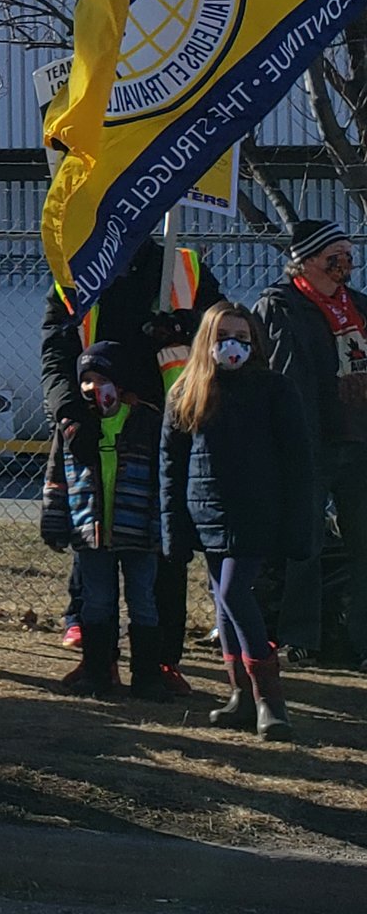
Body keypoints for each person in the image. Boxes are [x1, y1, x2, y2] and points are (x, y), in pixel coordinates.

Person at [41, 235, 221, 688]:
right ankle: (98, 660)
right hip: (93, 424)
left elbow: (221, 330)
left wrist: (186, 326)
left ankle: (159, 664)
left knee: (164, 549)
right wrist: (69, 413)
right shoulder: (75, 270)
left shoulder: (182, 266)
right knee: (93, 544)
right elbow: (56, 351)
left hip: (167, 423)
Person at [162, 303, 317, 742]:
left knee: (233, 592)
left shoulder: (274, 390)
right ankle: (241, 696)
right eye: (223, 337)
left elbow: (297, 461)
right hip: (207, 513)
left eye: (243, 338)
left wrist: (298, 525)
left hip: (256, 514)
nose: (233, 346)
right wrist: (174, 529)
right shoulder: (186, 392)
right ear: (206, 342)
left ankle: (271, 699)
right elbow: (171, 465)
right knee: (222, 602)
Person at [253, 221, 367, 668]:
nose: (347, 261)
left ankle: (360, 641)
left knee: (362, 544)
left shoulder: (358, 306)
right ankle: (301, 637)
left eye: (349, 252)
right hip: (311, 441)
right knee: (306, 543)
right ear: (310, 260)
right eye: (336, 253)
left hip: (359, 440)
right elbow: (283, 376)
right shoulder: (281, 306)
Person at [41, 341, 168, 701]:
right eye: (86, 380)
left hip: (139, 531)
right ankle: (97, 672)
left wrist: (162, 527)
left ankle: (147, 676)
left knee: (143, 600)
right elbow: (56, 477)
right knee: (96, 601)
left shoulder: (148, 422)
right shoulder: (71, 427)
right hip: (90, 532)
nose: (92, 388)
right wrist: (54, 521)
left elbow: (163, 480)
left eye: (101, 379)